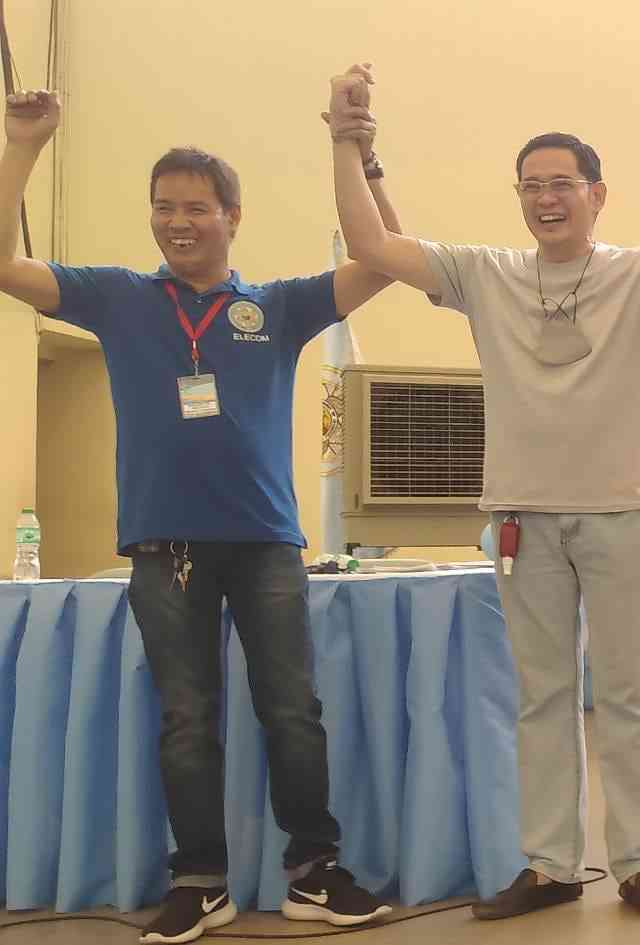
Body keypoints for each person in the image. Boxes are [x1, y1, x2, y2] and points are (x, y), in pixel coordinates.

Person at [329, 71, 640, 921]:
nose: (546, 200)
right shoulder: (485, 272)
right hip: (523, 515)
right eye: (531, 187)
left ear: (597, 194)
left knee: (632, 693)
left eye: (562, 183)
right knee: (543, 696)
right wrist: (348, 141)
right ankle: (552, 863)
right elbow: (373, 244)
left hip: (622, 509)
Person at [0, 86, 398, 942]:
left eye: (195, 208)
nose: (177, 223)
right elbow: (4, 266)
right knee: (186, 717)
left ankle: (314, 870)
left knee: (292, 710)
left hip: (266, 543)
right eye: (163, 208)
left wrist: (355, 152)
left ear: (232, 217)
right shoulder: (118, 296)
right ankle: (201, 880)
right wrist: (23, 146)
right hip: (163, 545)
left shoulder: (277, 306)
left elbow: (385, 259)